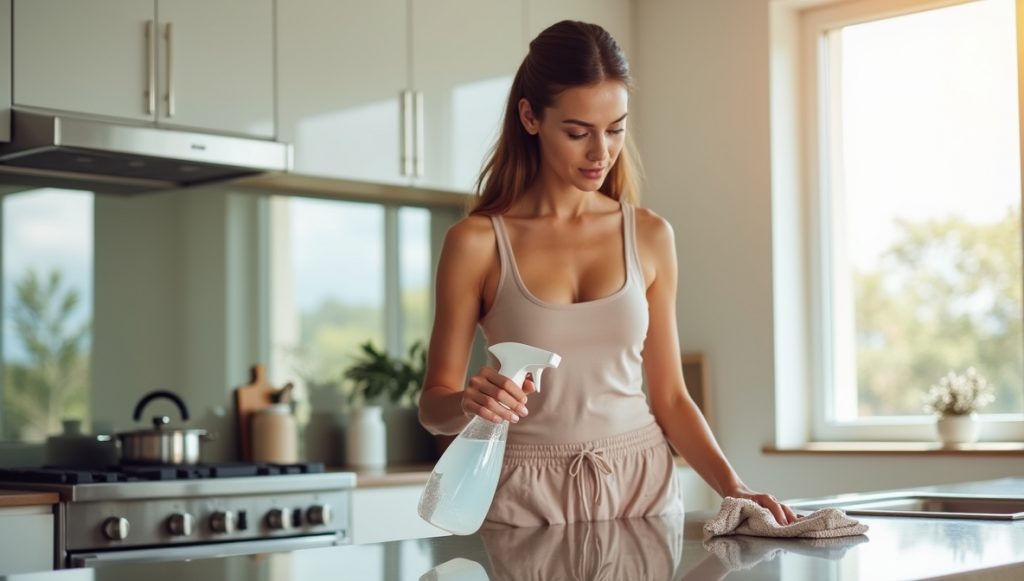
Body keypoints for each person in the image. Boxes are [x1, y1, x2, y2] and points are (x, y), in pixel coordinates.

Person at [417, 19, 797, 528]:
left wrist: (735, 487)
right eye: (578, 133)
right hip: (521, 493)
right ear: (530, 117)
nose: (601, 152)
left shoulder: (650, 235)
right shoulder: (476, 242)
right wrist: (468, 401)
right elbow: (432, 407)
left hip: (642, 484)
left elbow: (670, 397)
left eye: (616, 129)